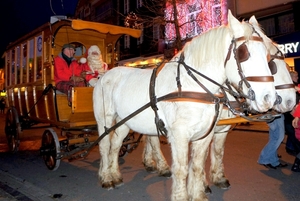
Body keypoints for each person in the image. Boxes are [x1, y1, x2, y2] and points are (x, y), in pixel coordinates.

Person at [284, 70, 300, 156]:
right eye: (295, 76)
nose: (297, 78)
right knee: (293, 134)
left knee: (293, 134)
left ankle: (290, 148)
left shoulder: (295, 86)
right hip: (290, 114)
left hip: (293, 114)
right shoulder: (291, 87)